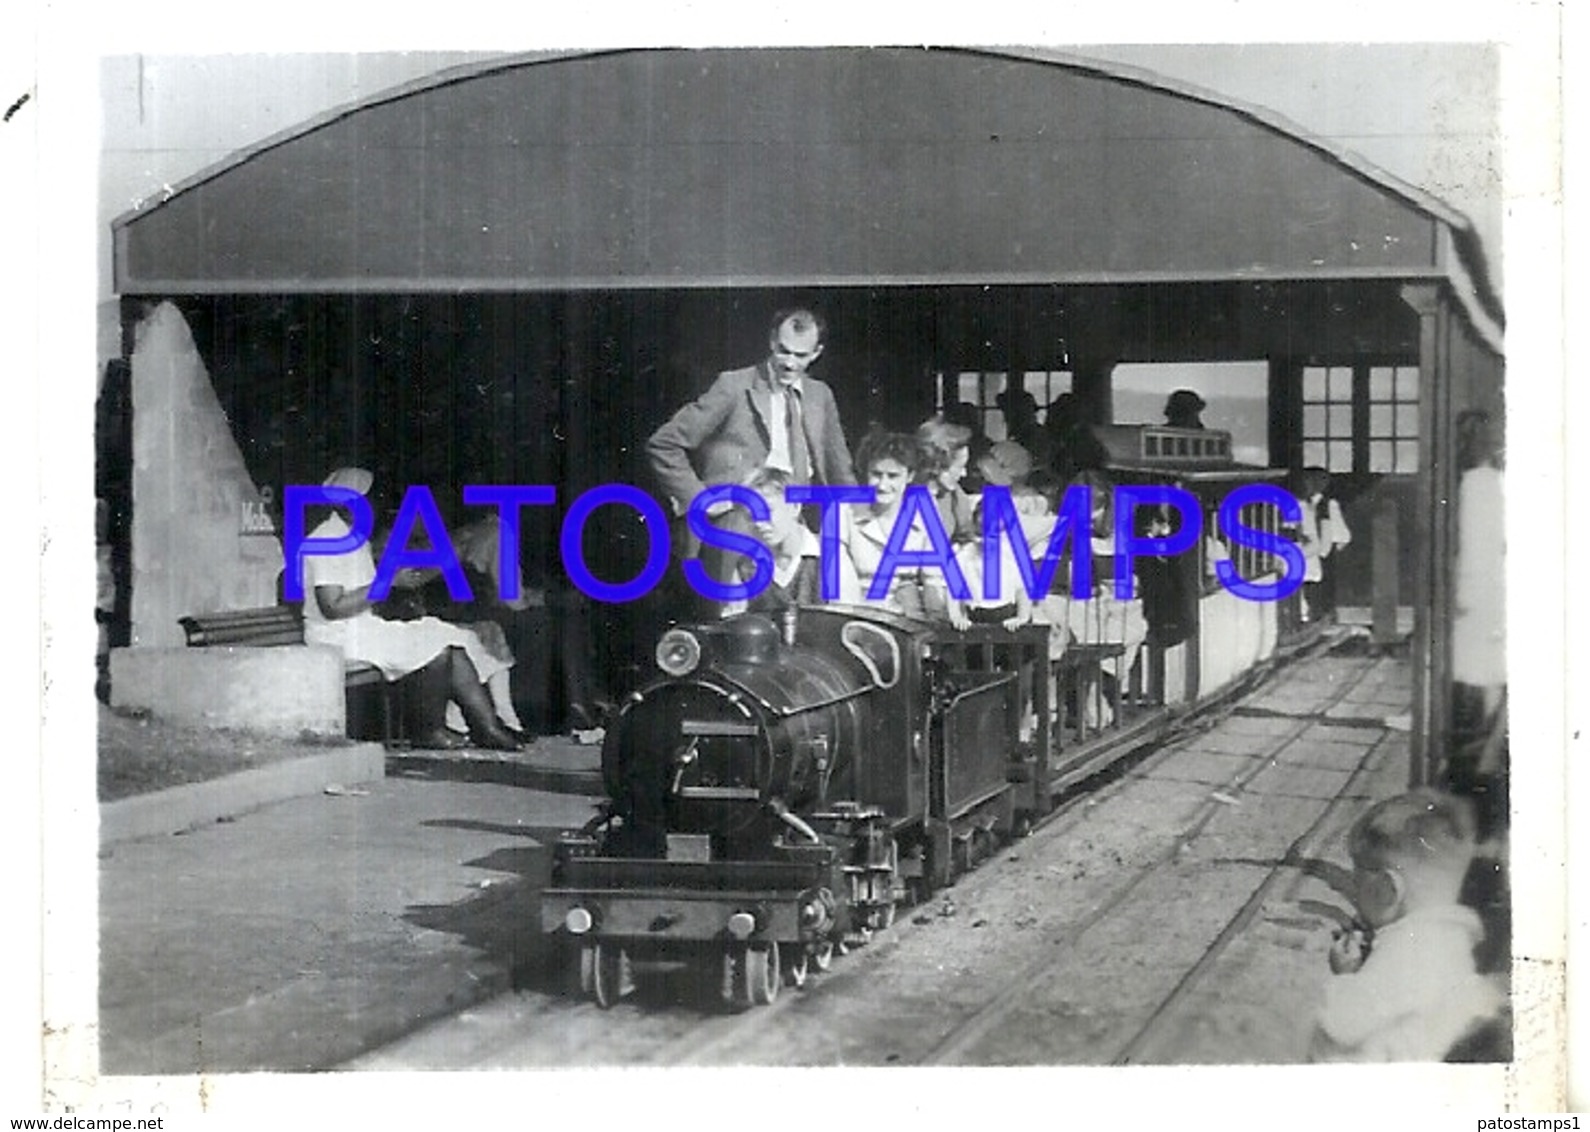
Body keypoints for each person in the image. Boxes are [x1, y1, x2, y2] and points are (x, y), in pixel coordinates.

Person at [301, 467, 521, 751]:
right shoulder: (326, 540)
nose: (378, 504)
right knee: (436, 650)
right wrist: (388, 581)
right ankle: (432, 730)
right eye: (373, 498)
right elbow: (333, 607)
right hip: (339, 638)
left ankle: (486, 726)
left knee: (449, 640)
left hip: (362, 629)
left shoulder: (353, 537)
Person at [645, 308, 857, 595]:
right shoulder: (733, 386)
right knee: (734, 621)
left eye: (801, 356)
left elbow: (839, 470)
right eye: (784, 351)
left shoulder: (820, 395)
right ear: (771, 341)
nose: (790, 363)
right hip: (736, 522)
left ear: (816, 353)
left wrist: (859, 524)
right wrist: (699, 498)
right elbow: (664, 443)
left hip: (796, 523)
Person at [1310, 789, 1508, 1062]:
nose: (1354, 891)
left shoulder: (1403, 954)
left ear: (1389, 889)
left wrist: (1345, 979)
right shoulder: (1457, 942)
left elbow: (1340, 1027)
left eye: (1358, 880)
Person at [842, 430, 969, 628]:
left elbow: (934, 577)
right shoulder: (844, 513)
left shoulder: (925, 511)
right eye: (876, 474)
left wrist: (937, 625)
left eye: (893, 476)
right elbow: (842, 592)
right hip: (859, 618)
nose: (883, 485)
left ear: (909, 476)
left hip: (910, 619)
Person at [721, 467, 861, 616]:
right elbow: (734, 623)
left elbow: (849, 623)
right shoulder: (746, 566)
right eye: (750, 517)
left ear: (795, 507)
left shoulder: (831, 557)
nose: (759, 523)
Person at [1296, 466, 1352, 623]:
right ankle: (1304, 617)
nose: (1307, 484)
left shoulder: (1328, 504)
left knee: (1320, 587)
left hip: (1324, 551)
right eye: (1306, 481)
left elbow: (1342, 535)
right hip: (1306, 548)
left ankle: (1321, 616)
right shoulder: (1300, 503)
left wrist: (1327, 548)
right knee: (1304, 584)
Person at [915, 415, 978, 544]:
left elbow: (965, 539)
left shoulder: (957, 497)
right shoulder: (900, 497)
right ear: (937, 466)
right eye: (960, 467)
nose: (964, 474)